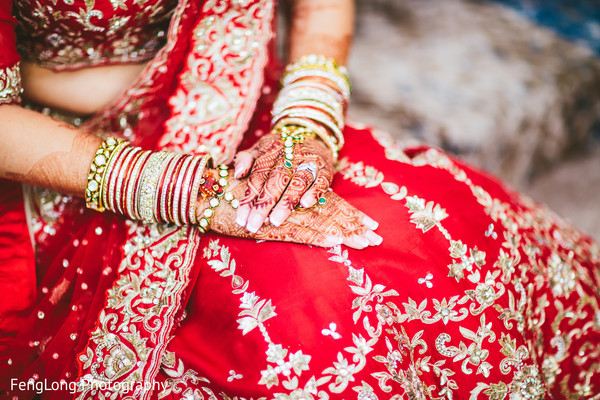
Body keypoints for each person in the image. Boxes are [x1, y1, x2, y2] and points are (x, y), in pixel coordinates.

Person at [0, 0, 598, 399]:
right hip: (66, 166)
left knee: (437, 248)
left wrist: (308, 119)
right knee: (307, 322)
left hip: (238, 109)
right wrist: (188, 190)